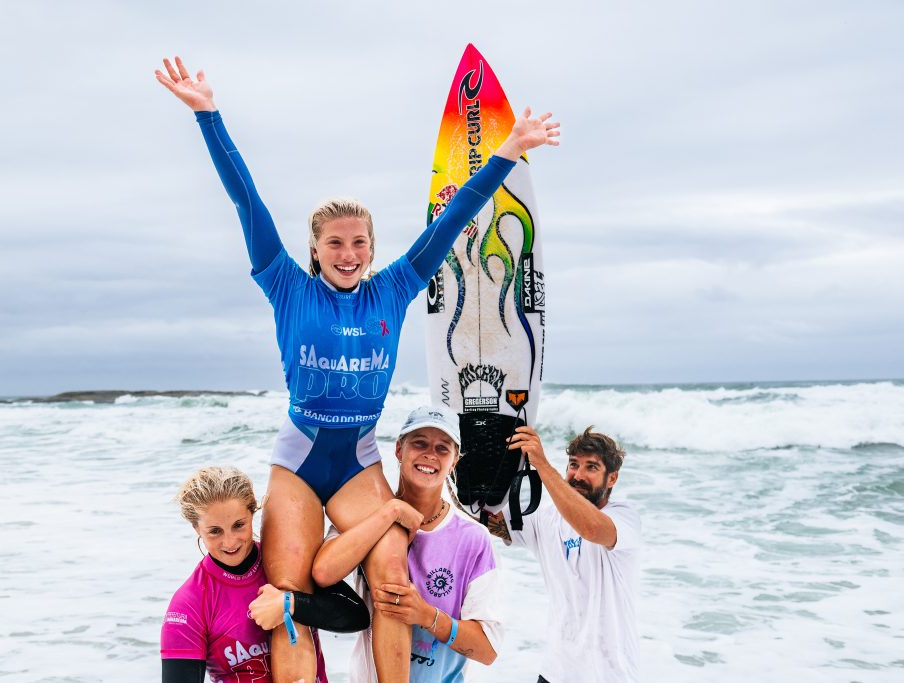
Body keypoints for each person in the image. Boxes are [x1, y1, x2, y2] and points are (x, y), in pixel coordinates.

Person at [155, 55, 558, 682]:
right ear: (314, 248)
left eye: (359, 241)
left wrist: (507, 150)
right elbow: (246, 199)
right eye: (336, 242)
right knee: (288, 597)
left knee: (392, 564)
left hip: (359, 459)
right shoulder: (287, 286)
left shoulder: (392, 288)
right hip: (299, 460)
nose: (349, 252)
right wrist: (209, 116)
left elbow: (454, 218)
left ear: (372, 247)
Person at [305, 406, 502, 682]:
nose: (430, 455)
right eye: (419, 443)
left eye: (442, 448)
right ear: (399, 449)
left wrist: (426, 616)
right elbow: (324, 572)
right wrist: (390, 513)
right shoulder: (367, 516)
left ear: (455, 460)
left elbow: (488, 651)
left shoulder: (472, 538)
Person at [160, 465, 370, 683]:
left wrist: (290, 604)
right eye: (215, 531)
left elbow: (357, 616)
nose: (230, 542)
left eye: (239, 525)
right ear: (196, 528)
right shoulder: (189, 604)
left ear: (253, 513)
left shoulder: (287, 562)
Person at [485, 426, 641, 683]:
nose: (578, 475)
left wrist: (542, 465)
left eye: (591, 467)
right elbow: (486, 520)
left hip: (609, 675)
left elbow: (591, 528)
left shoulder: (624, 517)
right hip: (554, 673)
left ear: (612, 479)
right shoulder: (545, 518)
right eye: (573, 465)